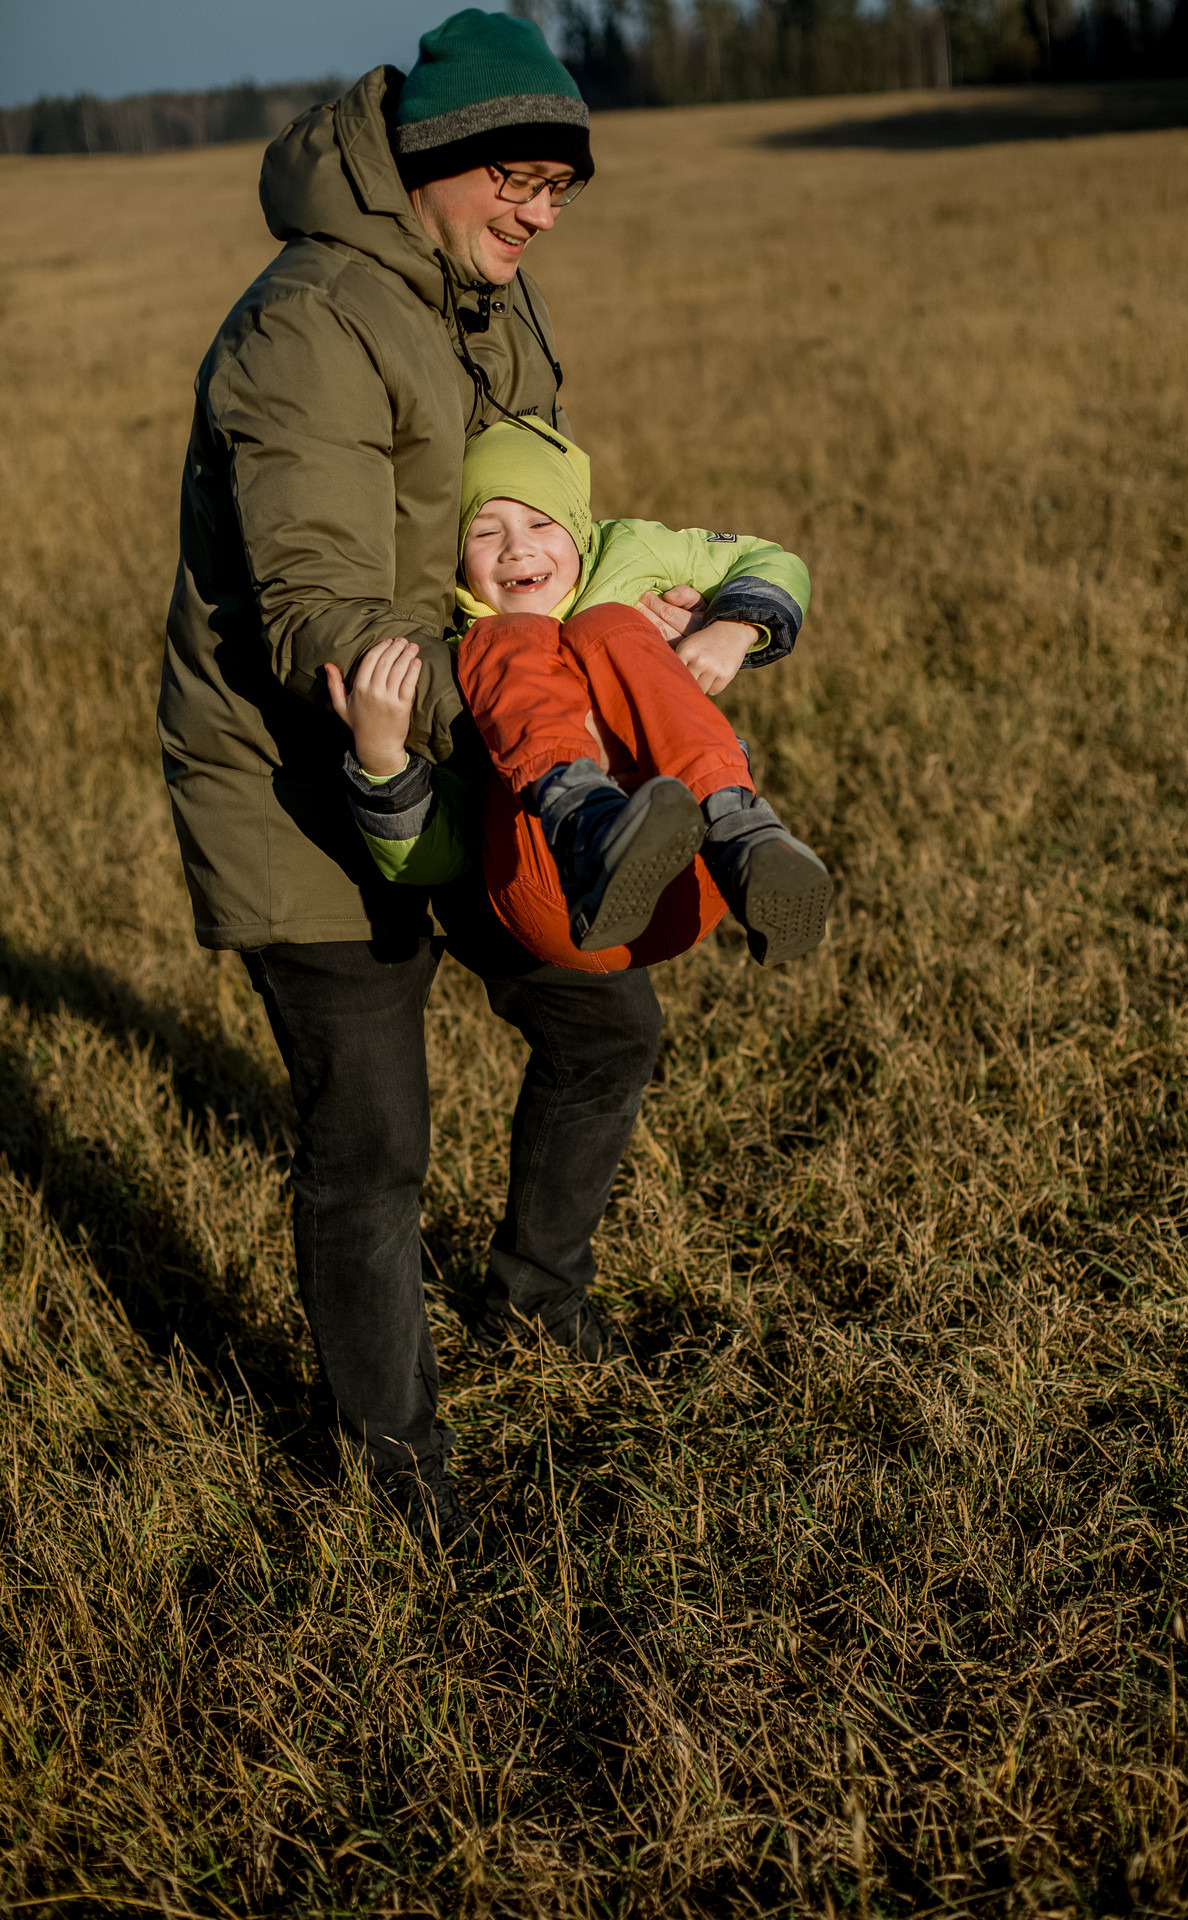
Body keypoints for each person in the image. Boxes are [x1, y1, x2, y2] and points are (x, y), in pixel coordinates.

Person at [156, 10, 703, 1558]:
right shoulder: (308, 324)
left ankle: (536, 1296)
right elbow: (317, 609)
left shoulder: (491, 303)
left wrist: (625, 621)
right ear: (430, 164)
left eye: (560, 187)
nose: (540, 211)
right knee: (372, 1140)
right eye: (518, 178)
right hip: (297, 778)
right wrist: (510, 705)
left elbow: (531, 524)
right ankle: (393, 1464)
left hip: (473, 742)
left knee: (603, 1018)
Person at [327, 419, 832, 973]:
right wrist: (382, 763)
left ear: (579, 527)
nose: (517, 550)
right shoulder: (461, 650)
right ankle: (588, 828)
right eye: (485, 532)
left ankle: (744, 834)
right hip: (556, 893)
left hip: (699, 871)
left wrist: (732, 629)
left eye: (541, 522)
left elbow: (774, 559)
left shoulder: (630, 551)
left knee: (605, 624)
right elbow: (431, 862)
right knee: (507, 638)